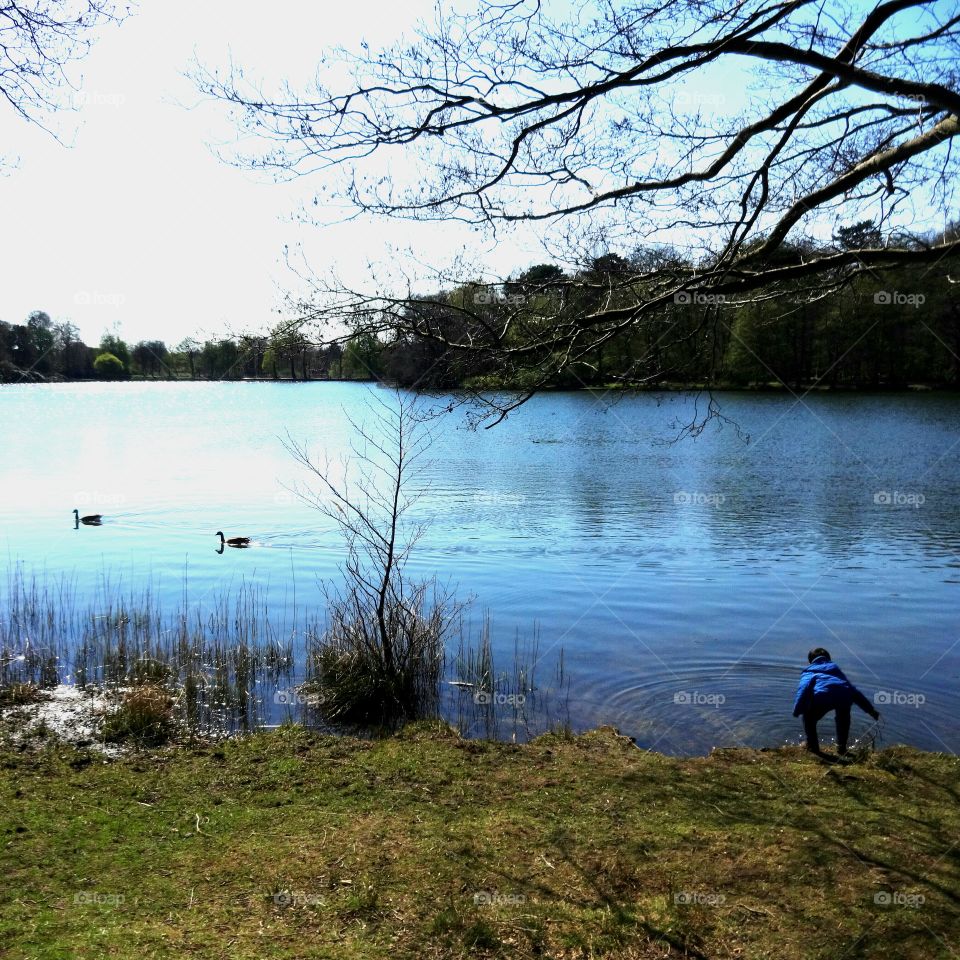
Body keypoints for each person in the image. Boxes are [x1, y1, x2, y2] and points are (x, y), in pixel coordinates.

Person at [792, 648, 880, 755]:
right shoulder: (835, 670)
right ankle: (841, 748)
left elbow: (803, 689)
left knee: (808, 718)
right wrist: (871, 711)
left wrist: (797, 709)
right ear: (829, 659)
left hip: (823, 696)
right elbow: (853, 691)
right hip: (844, 695)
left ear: (810, 661)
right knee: (843, 718)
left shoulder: (809, 671)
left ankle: (813, 746)